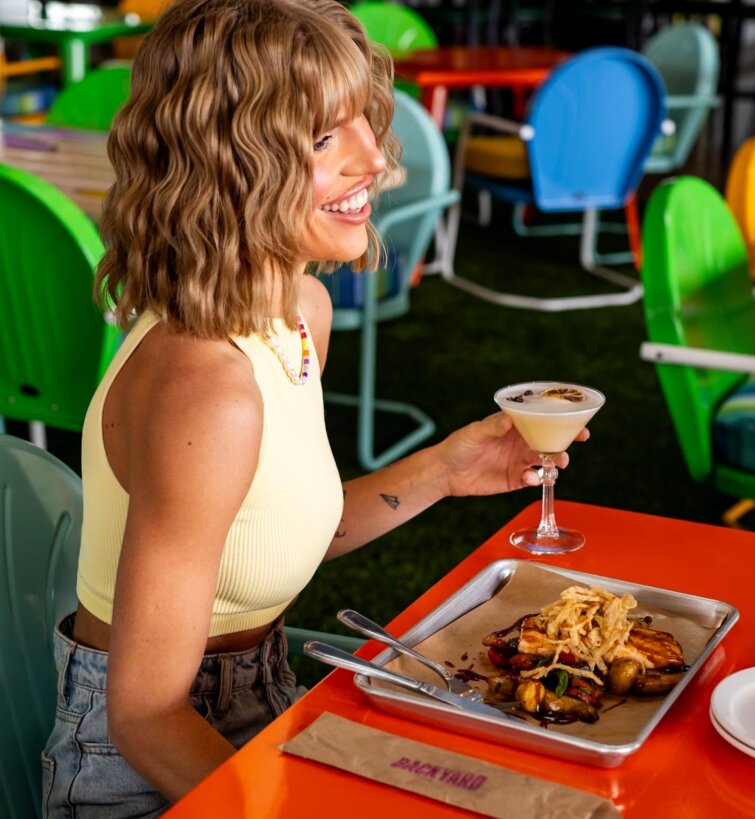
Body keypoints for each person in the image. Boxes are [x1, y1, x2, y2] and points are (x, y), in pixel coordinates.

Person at [40, 1, 588, 814]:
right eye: (327, 139)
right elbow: (146, 716)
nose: (377, 160)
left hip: (262, 693)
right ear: (231, 164)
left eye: (366, 122)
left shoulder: (299, 310)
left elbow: (264, 536)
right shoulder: (208, 387)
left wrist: (444, 469)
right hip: (145, 766)